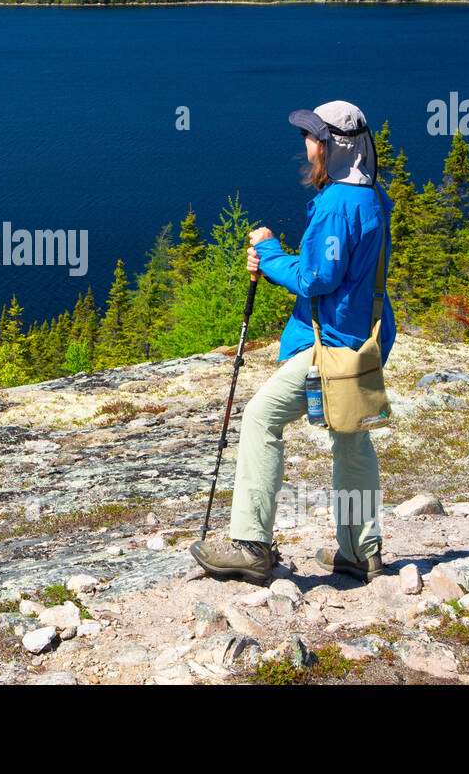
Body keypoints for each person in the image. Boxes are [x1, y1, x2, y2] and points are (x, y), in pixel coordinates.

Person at [190, 100, 396, 586]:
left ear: (332, 146)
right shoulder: (372, 197)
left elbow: (316, 278)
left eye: (312, 137)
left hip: (328, 346)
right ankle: (359, 551)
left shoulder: (336, 205)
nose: (306, 144)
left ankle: (251, 545)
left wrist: (268, 252)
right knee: (351, 438)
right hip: (364, 340)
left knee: (262, 418)